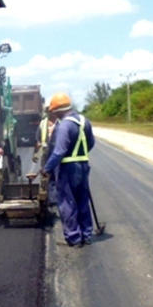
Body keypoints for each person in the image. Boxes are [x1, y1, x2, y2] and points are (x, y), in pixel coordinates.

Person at [42, 93, 95, 247]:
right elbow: (91, 143)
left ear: (58, 110)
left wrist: (47, 168)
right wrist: (79, 155)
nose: (53, 115)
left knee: (67, 202)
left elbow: (59, 151)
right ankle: (86, 234)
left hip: (68, 168)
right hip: (83, 165)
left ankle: (74, 237)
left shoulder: (64, 125)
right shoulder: (85, 121)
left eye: (54, 112)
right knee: (82, 200)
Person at [33, 106, 58, 206]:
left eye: (52, 111)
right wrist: (36, 154)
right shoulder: (43, 123)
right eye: (49, 111)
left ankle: (56, 198)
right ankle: (47, 199)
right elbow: (38, 140)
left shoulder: (61, 123)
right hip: (46, 154)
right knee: (45, 175)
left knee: (57, 176)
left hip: (57, 154)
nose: (50, 113)